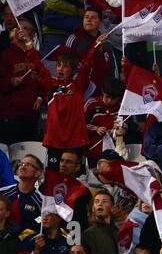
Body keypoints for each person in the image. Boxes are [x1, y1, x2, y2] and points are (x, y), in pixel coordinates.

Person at [29, 29, 108, 169]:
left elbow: (88, 63)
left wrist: (96, 44)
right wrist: (28, 45)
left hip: (75, 141)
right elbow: (37, 66)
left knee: (76, 178)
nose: (60, 69)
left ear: (72, 70)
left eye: (65, 66)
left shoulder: (78, 85)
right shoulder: (50, 84)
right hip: (54, 141)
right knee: (53, 176)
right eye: (59, 65)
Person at [0, 21, 45, 144]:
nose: (22, 30)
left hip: (31, 115)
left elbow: (44, 81)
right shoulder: (5, 55)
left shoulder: (37, 56)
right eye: (18, 27)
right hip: (10, 116)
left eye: (26, 28)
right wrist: (10, 82)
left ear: (33, 34)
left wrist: (40, 98)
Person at [63, 7, 115, 96]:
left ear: (100, 23)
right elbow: (64, 65)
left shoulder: (106, 44)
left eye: (93, 17)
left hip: (99, 95)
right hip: (77, 92)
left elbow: (110, 70)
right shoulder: (74, 39)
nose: (89, 20)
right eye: (86, 17)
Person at [84, 77, 125, 164]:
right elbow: (80, 124)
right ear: (103, 91)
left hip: (113, 154)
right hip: (92, 151)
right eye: (107, 96)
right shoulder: (92, 103)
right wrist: (95, 128)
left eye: (114, 99)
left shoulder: (122, 108)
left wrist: (117, 129)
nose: (109, 101)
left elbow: (122, 127)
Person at [0, 155, 43, 232]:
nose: (23, 167)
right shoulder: (3, 192)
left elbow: (40, 224)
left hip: (26, 241)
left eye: (28, 165)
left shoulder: (41, 201)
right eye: (21, 164)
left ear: (37, 173)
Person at [58, 150, 92, 230]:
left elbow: (82, 221)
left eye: (68, 162)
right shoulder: (47, 188)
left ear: (77, 167)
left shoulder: (83, 192)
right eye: (61, 160)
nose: (63, 164)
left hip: (72, 238)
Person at [82, 190, 118, 254]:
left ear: (112, 208)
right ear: (93, 208)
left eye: (104, 201)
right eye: (96, 201)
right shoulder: (87, 235)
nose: (100, 204)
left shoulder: (119, 231)